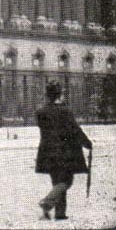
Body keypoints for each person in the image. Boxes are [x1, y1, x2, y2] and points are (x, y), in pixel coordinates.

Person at [35, 81, 93, 220]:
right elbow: (75, 130)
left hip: (47, 152)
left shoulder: (41, 112)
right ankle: (48, 202)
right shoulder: (65, 111)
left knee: (57, 181)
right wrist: (87, 143)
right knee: (66, 181)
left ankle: (60, 213)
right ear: (59, 94)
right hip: (65, 153)